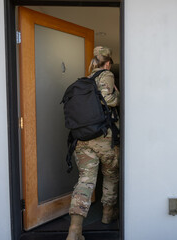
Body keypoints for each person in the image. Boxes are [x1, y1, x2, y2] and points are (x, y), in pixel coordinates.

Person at [66, 46, 120, 240]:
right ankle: (107, 215)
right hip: (104, 138)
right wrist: (118, 94)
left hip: (82, 140)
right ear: (107, 63)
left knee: (85, 181)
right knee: (110, 176)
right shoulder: (106, 75)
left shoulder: (84, 81)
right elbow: (109, 100)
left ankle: (74, 230)